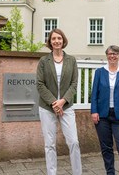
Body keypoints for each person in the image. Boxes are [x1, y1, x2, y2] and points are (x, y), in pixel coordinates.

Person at [36, 28, 82, 175]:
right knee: (50, 144)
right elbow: (40, 84)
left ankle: (77, 172)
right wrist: (54, 103)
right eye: (54, 39)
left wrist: (62, 101)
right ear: (50, 42)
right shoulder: (44, 61)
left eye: (59, 38)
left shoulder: (72, 60)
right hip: (47, 107)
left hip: (66, 106)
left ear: (63, 41)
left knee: (74, 142)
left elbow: (74, 84)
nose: (56, 41)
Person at [91, 45, 119, 175]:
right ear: (106, 55)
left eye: (115, 54)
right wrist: (94, 111)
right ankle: (110, 172)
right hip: (102, 115)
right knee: (106, 148)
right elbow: (94, 94)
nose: (112, 56)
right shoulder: (99, 72)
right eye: (110, 53)